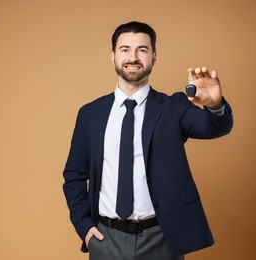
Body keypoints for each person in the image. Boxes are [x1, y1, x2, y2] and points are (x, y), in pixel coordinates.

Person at [62, 21, 233, 260]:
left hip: (161, 240)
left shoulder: (174, 107)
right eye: (125, 49)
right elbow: (74, 176)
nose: (133, 57)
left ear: (154, 56)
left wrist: (214, 104)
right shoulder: (91, 114)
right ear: (112, 56)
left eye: (142, 50)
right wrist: (85, 228)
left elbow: (212, 127)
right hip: (105, 240)